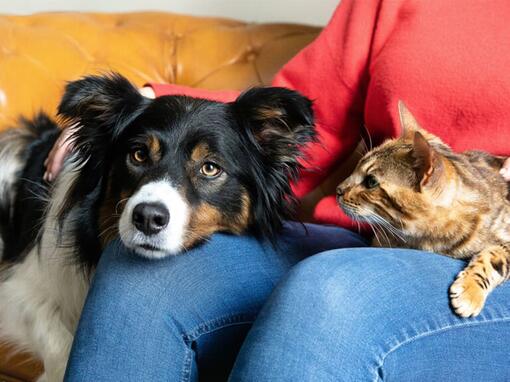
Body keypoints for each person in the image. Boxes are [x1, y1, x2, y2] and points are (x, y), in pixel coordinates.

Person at [46, 0, 510, 380]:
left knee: (331, 289)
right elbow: (311, 115)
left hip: (490, 264)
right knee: (140, 273)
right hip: (372, 233)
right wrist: (140, 105)